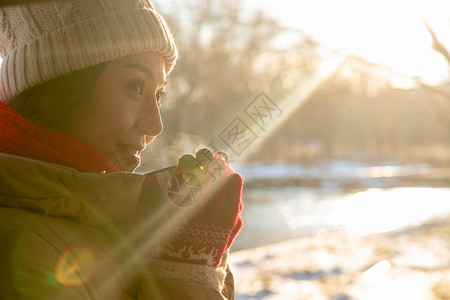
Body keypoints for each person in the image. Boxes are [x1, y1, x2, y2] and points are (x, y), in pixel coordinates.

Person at [0, 1, 244, 299]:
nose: (155, 125)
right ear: (58, 88)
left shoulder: (103, 216)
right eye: (136, 86)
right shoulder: (18, 250)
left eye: (159, 95)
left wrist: (179, 254)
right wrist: (183, 281)